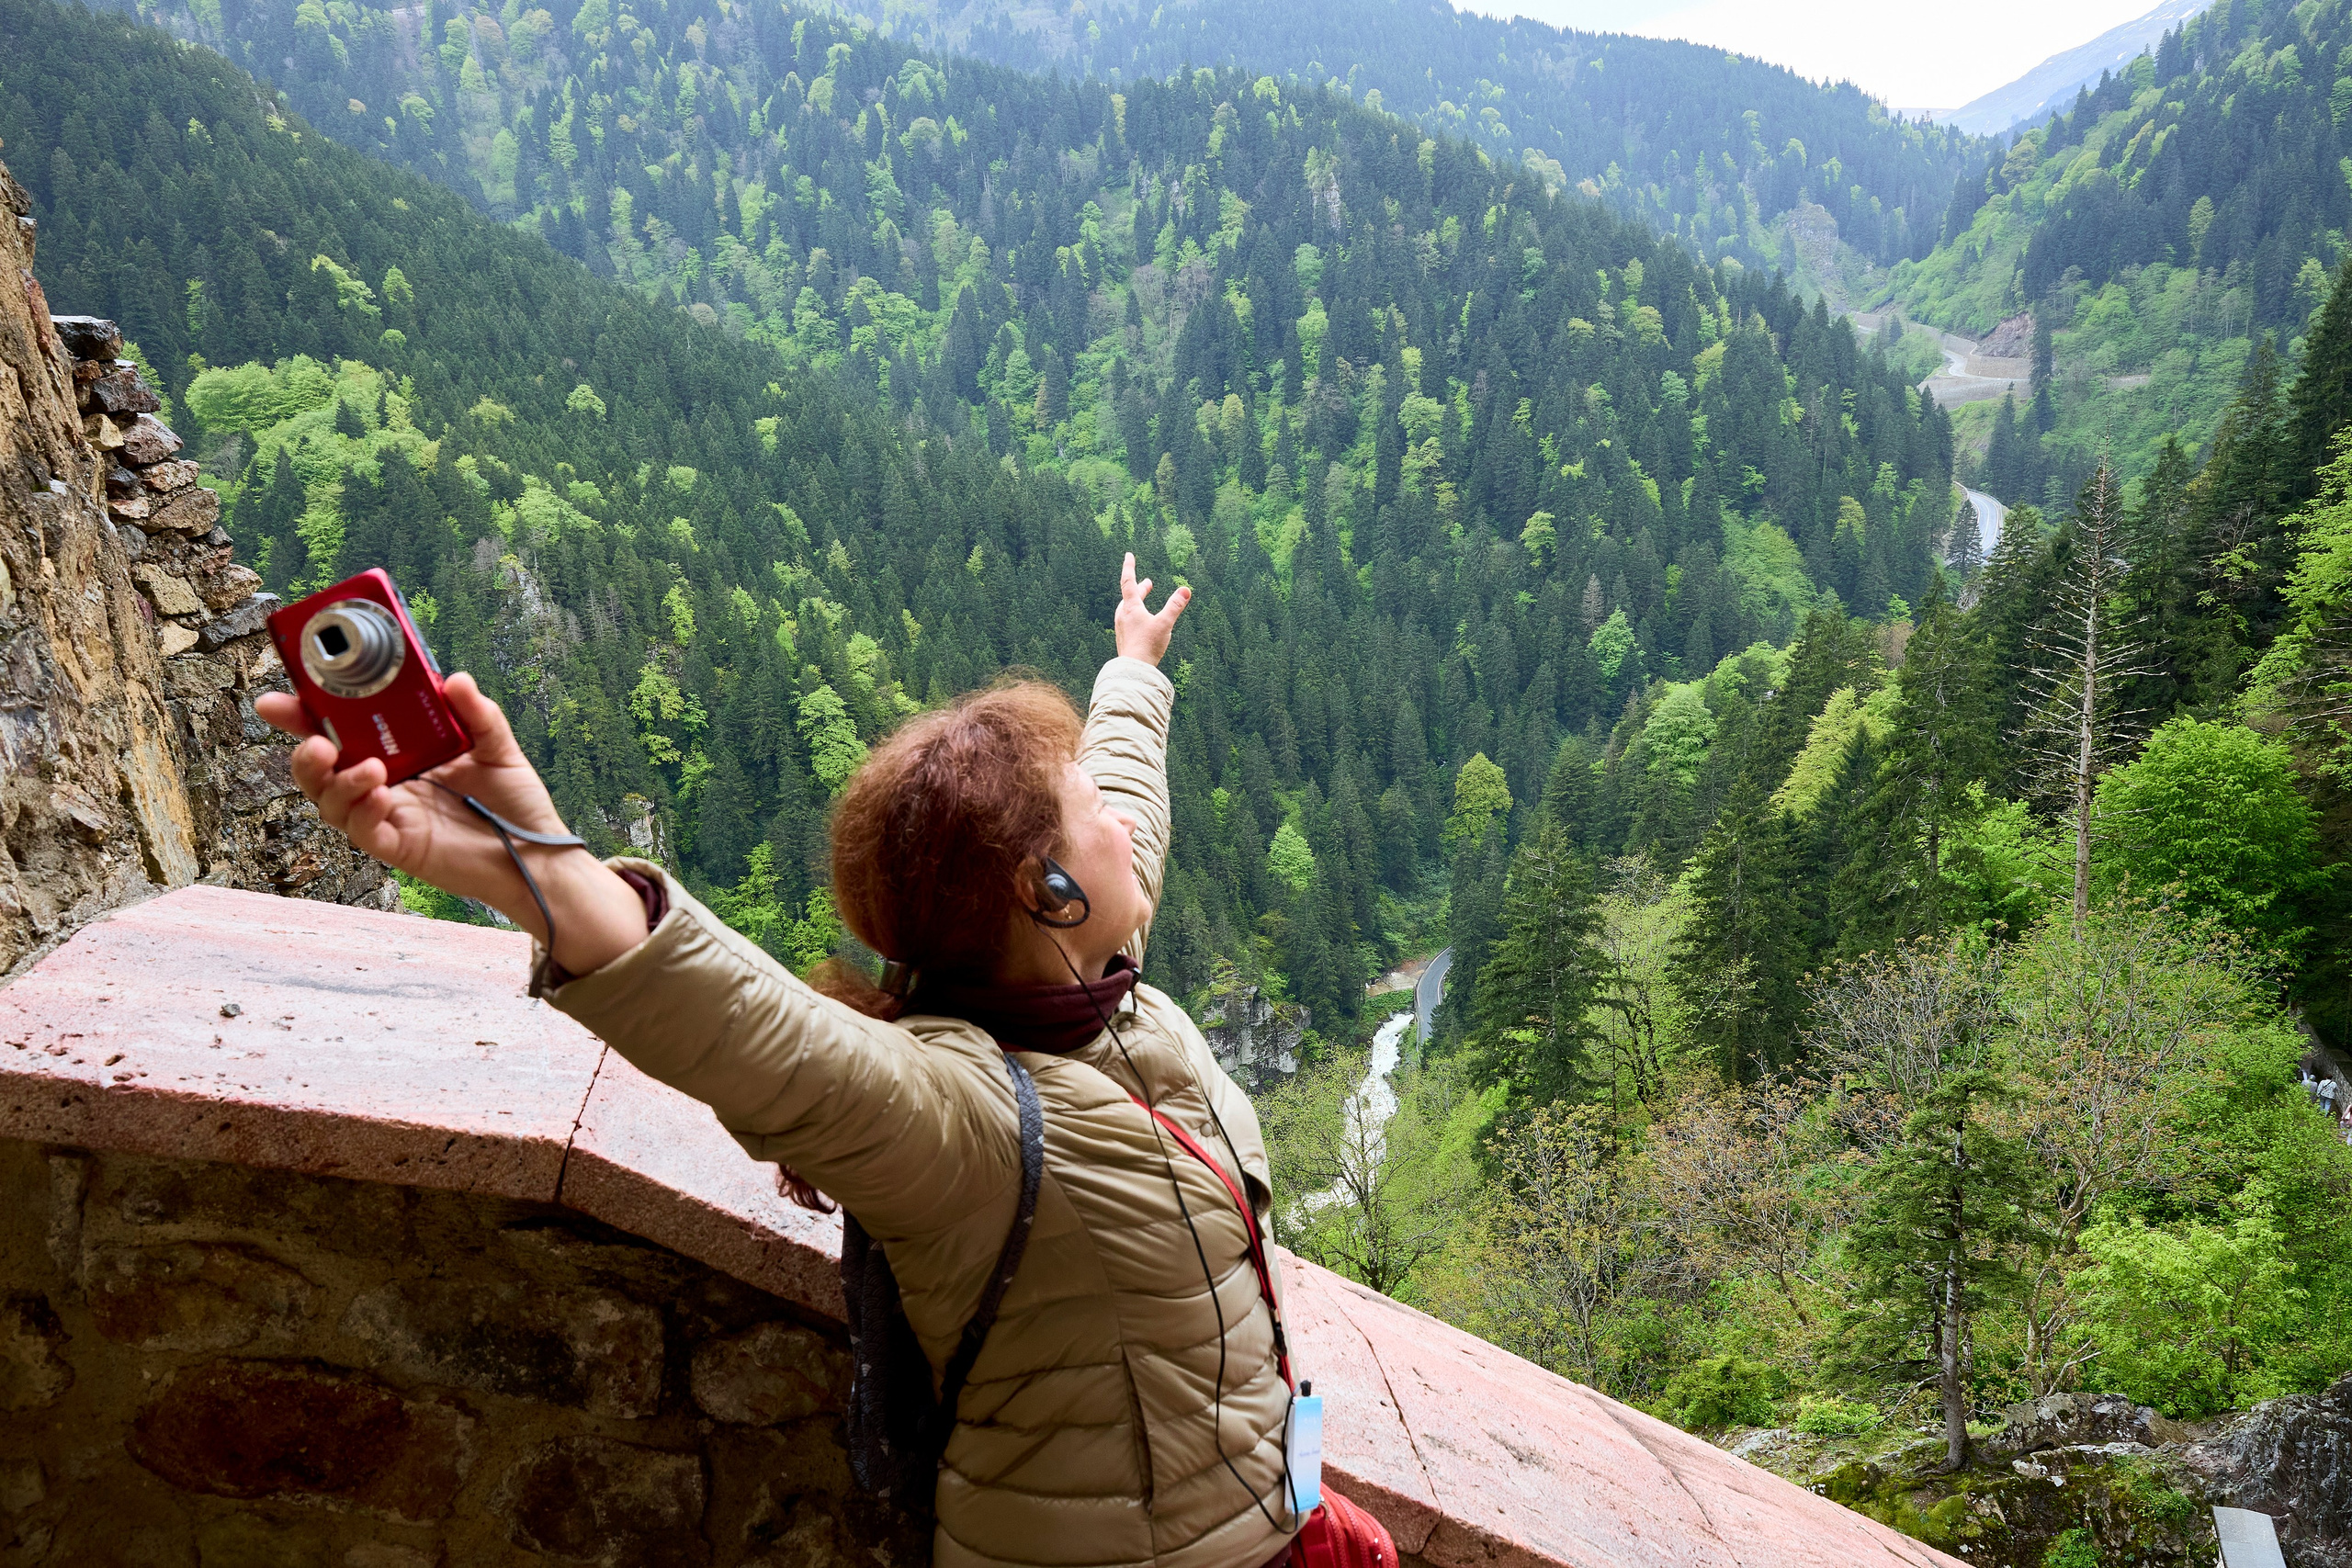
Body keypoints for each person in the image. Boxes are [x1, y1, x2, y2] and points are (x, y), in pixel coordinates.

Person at [260, 558, 1310, 1568]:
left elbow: (1130, 803)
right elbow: (751, 1034)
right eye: (1092, 817)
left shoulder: (1087, 975)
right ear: (1048, 895)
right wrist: (532, 863)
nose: (1122, 826)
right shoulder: (963, 1121)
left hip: (1259, 1519)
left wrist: (1133, 667)